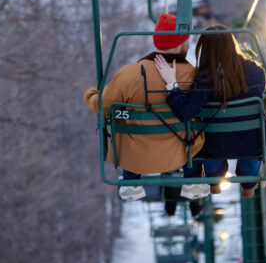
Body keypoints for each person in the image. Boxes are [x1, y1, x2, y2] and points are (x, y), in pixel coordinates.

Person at [84, 13, 209, 204]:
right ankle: (193, 178)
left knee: (123, 119)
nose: (188, 45)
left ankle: (131, 182)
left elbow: (104, 107)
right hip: (182, 156)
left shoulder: (129, 74)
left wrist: (92, 95)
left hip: (137, 158)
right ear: (179, 45)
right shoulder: (195, 76)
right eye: (186, 41)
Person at [154, 24, 266, 198]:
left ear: (205, 50)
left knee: (204, 136)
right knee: (254, 137)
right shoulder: (256, 71)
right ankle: (249, 183)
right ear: (232, 44)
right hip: (251, 142)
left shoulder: (203, 79)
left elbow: (185, 113)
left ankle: (213, 179)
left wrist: (172, 84)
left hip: (216, 146)